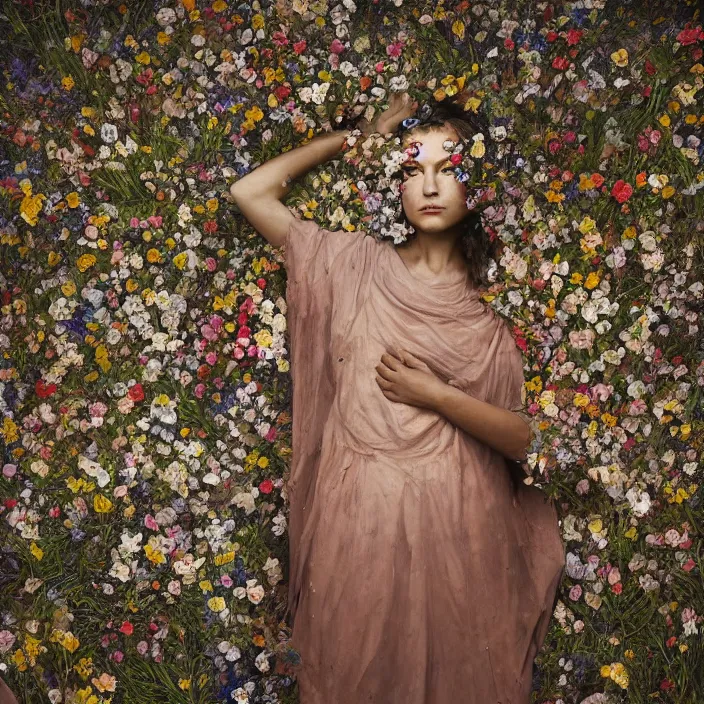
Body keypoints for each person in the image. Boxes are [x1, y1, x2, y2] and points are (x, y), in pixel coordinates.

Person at [230, 92, 566, 704]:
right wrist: (358, 135)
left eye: (449, 168)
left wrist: (436, 394)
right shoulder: (351, 265)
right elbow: (250, 193)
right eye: (414, 169)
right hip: (357, 523)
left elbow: (530, 443)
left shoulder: (488, 320)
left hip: (460, 534)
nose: (430, 186)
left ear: (478, 187)